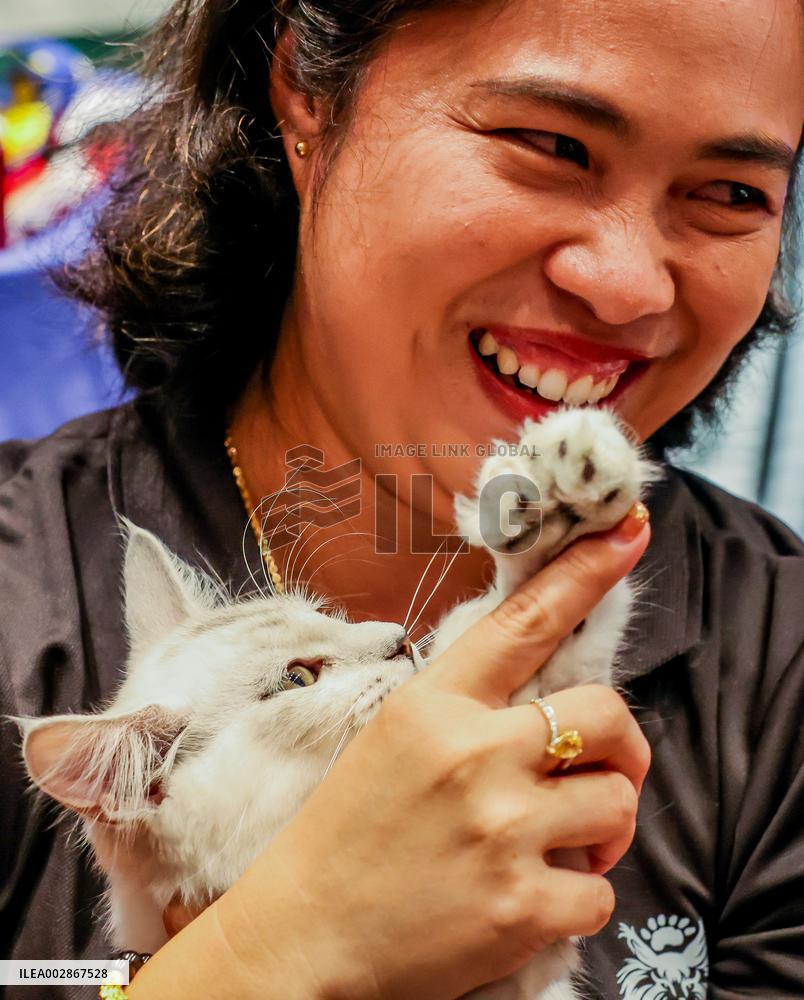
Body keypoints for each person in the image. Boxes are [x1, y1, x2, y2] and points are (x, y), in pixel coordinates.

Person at [1, 0, 802, 997]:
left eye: (731, 193)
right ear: (307, 89)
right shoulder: (24, 590)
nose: (628, 285)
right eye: (552, 145)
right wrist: (268, 952)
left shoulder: (779, 658)